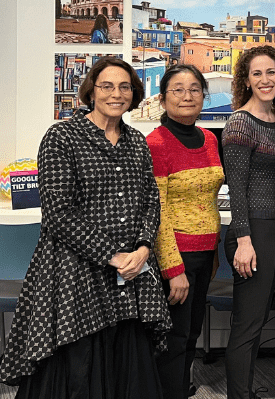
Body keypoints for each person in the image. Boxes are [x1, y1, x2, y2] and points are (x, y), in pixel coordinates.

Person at [0, 57, 170, 398]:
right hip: (74, 272)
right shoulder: (61, 137)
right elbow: (58, 214)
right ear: (91, 91)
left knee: (129, 363)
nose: (116, 94)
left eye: (125, 87)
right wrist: (113, 256)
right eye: (107, 86)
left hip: (130, 274)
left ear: (134, 94)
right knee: (78, 363)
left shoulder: (137, 142)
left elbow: (151, 201)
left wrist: (142, 248)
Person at [222, 45, 275, 399]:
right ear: (246, 81)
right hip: (252, 231)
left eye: (271, 72)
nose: (265, 80)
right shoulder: (240, 123)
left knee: (261, 316)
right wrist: (244, 240)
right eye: (256, 74)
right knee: (247, 325)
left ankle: (246, 391)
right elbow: (236, 190)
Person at [148, 65, 224, 399]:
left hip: (206, 253)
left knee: (192, 333)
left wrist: (214, 253)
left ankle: (182, 390)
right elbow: (158, 212)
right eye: (177, 89)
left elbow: (209, 199)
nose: (187, 95)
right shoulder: (156, 143)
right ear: (163, 98)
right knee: (174, 339)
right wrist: (173, 269)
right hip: (176, 255)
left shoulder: (209, 138)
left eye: (194, 88)